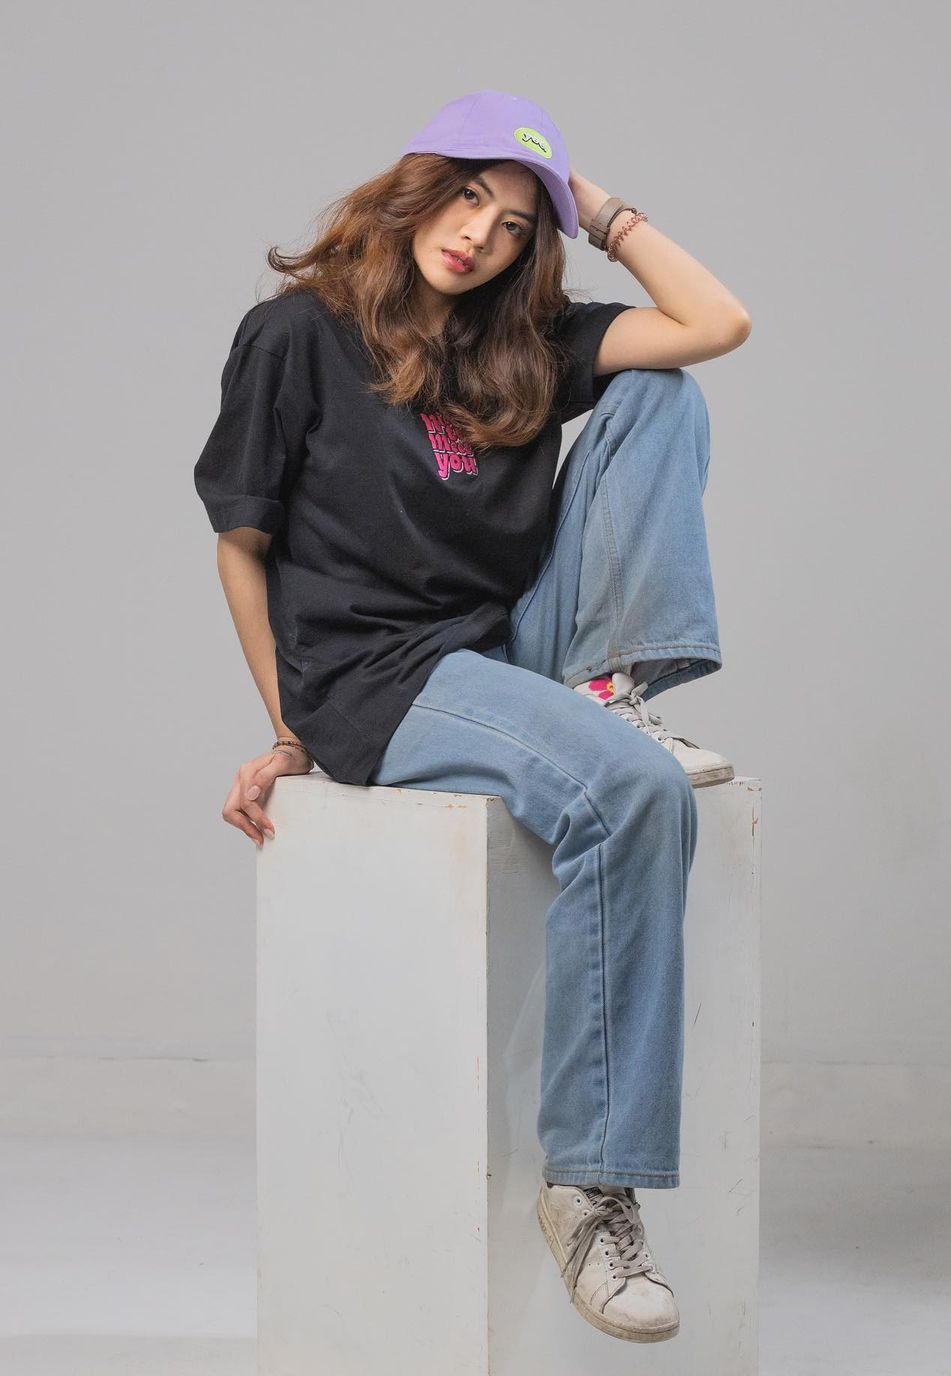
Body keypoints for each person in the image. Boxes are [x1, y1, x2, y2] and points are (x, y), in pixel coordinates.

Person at [193, 88, 751, 1345]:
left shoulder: (524, 342)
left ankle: (610, 690)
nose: (477, 237)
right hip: (377, 674)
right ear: (416, 185)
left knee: (665, 394)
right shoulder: (297, 335)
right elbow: (241, 546)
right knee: (634, 790)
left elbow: (718, 322)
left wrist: (590, 204)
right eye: (466, 197)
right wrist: (290, 730)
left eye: (511, 225)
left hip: (511, 646)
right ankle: (589, 1184)